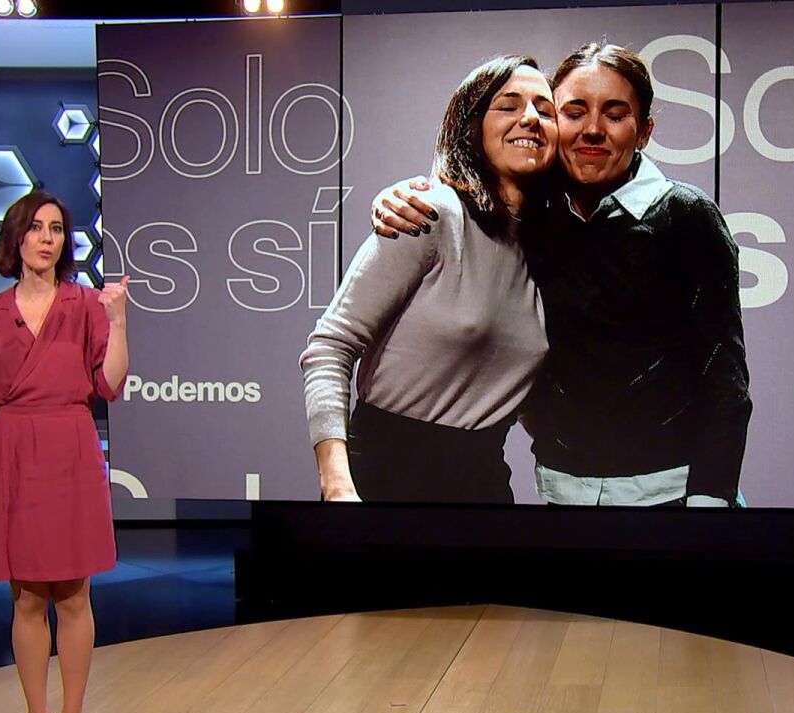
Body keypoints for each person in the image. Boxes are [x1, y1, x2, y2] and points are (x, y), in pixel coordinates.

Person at [374, 43, 752, 507]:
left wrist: (709, 509)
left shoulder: (686, 215)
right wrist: (397, 197)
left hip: (670, 499)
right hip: (562, 496)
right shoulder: (534, 213)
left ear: (644, 131)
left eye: (615, 114)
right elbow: (466, 186)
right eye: (573, 112)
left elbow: (724, 378)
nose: (592, 129)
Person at [300, 55, 556, 504]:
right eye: (508, 105)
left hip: (482, 488)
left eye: (545, 109)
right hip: (383, 480)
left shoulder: (552, 248)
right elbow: (330, 347)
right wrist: (337, 486)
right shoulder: (429, 213)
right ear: (471, 125)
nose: (530, 118)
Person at [0, 190, 130, 713]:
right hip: (15, 452)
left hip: (70, 446)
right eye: (36, 227)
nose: (47, 238)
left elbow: (111, 384)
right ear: (16, 238)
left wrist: (119, 323)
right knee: (27, 597)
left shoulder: (87, 304)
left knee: (73, 594)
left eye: (56, 229)